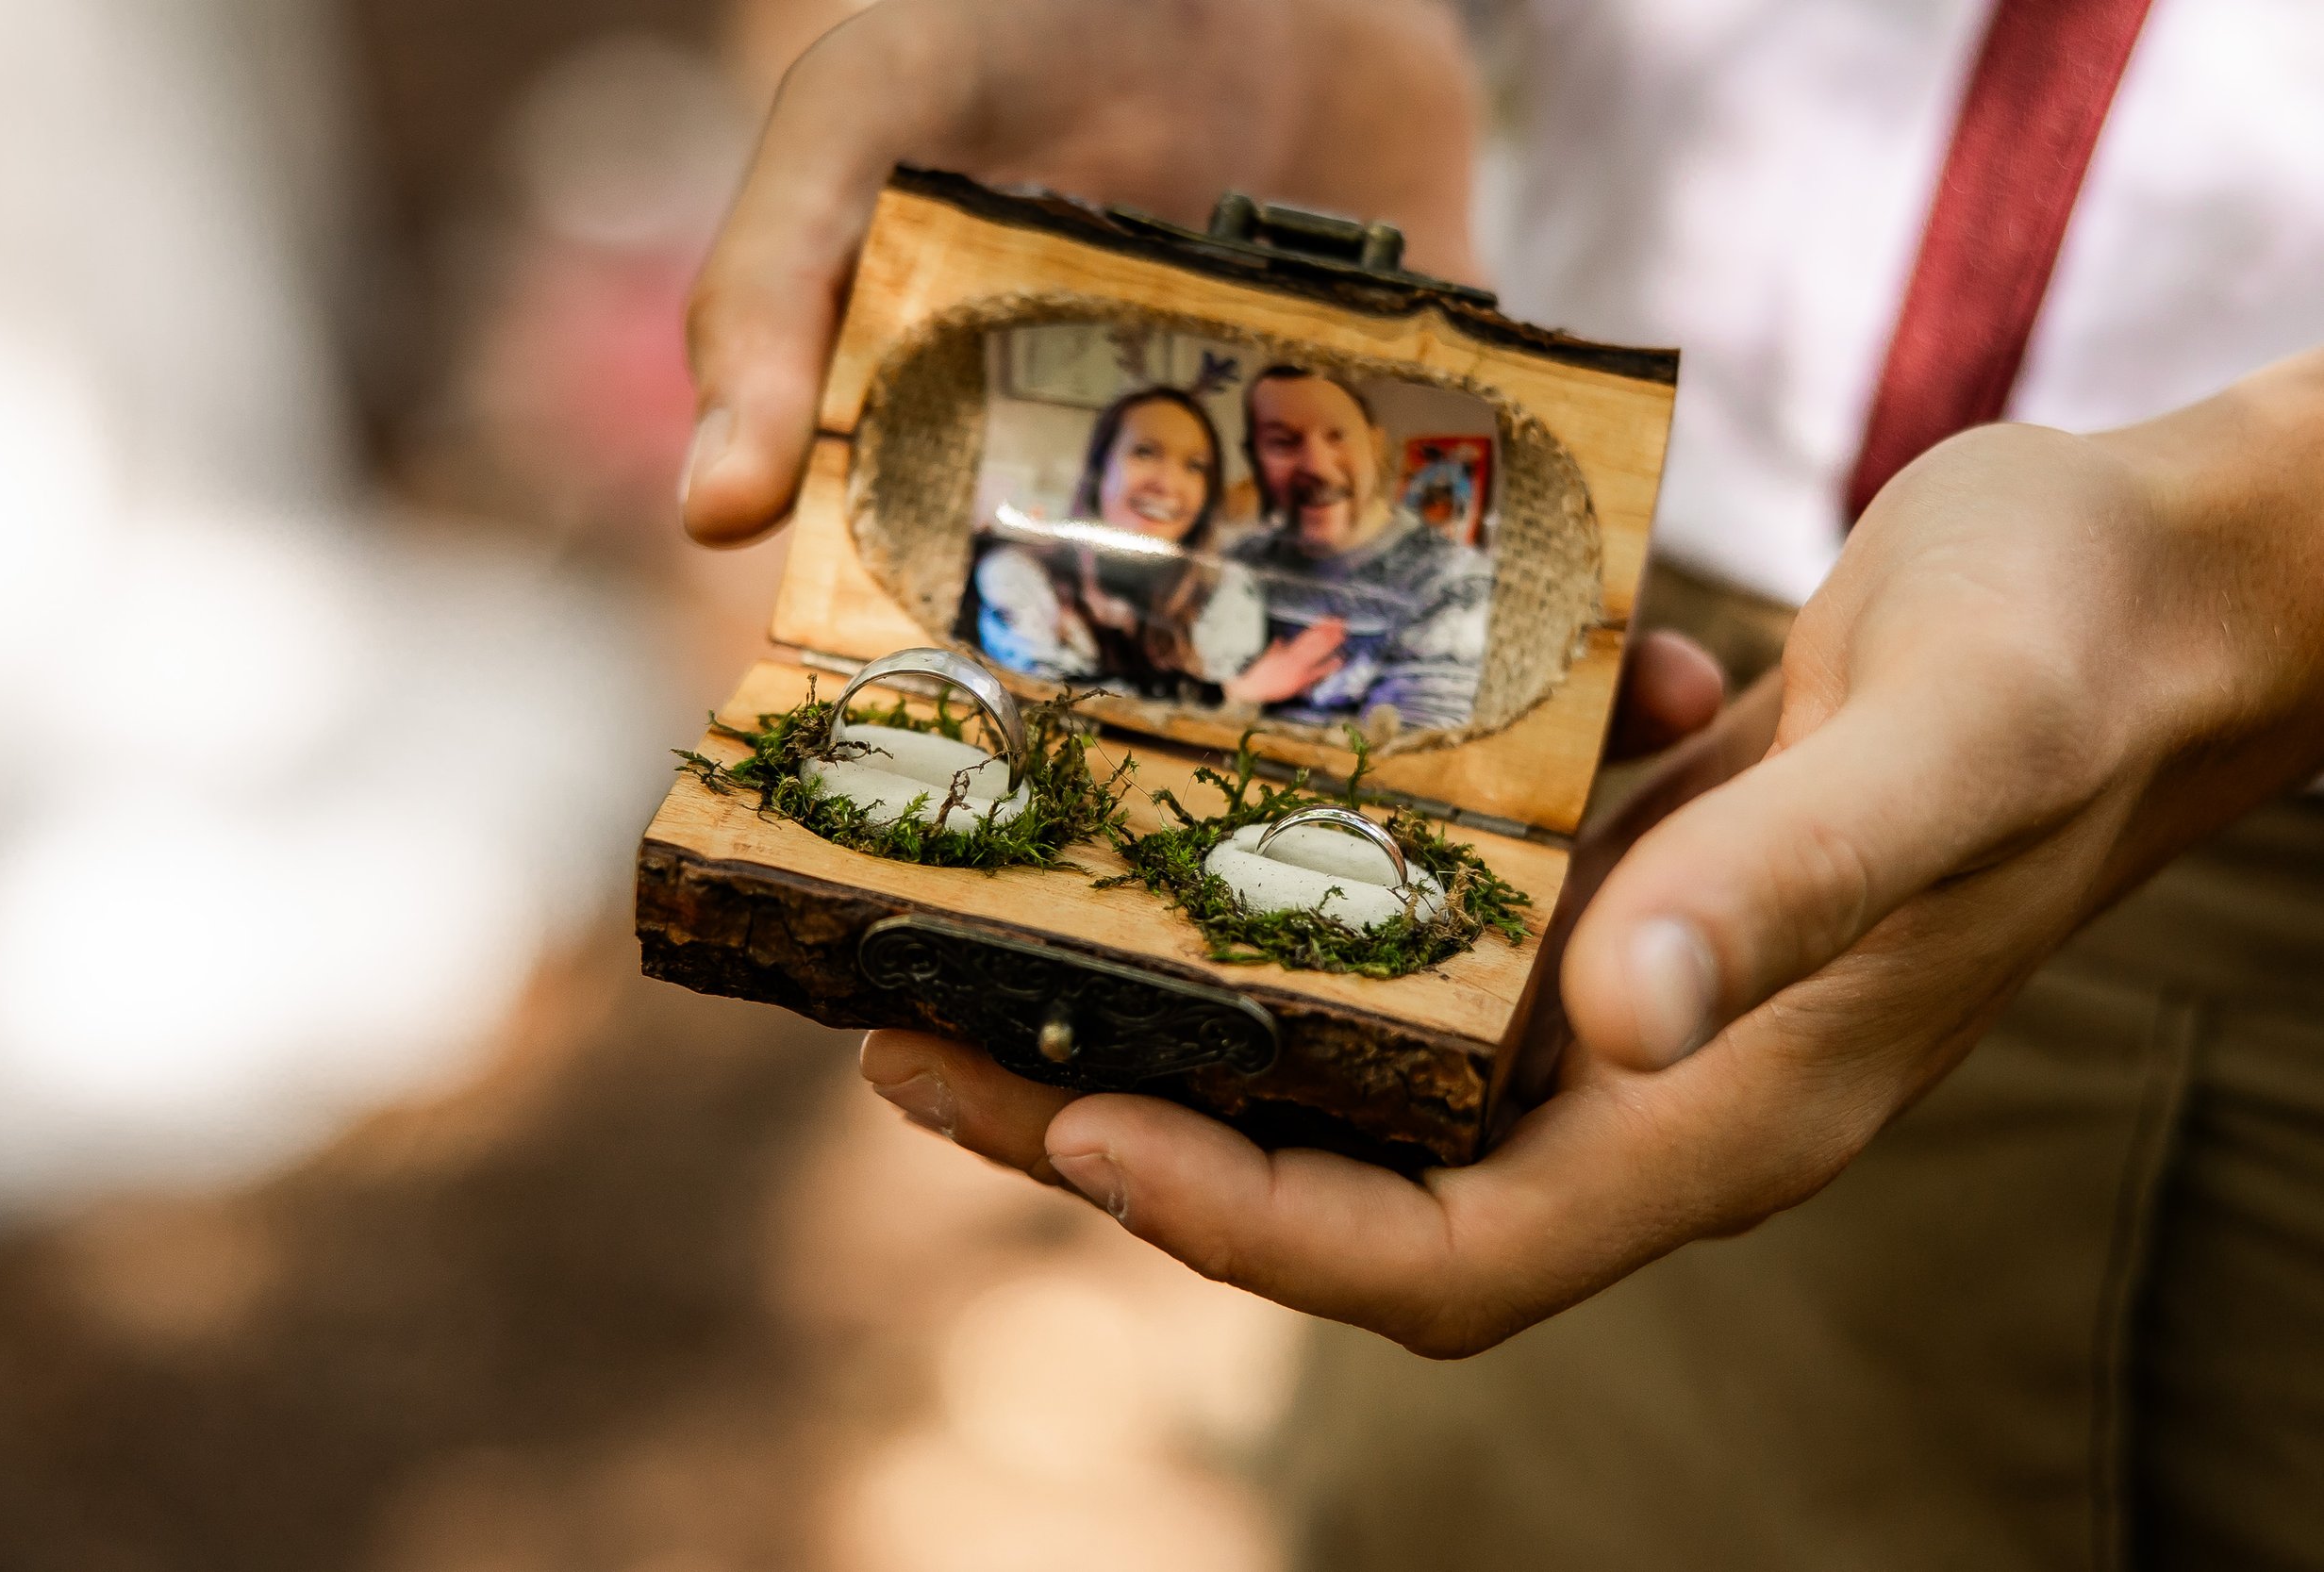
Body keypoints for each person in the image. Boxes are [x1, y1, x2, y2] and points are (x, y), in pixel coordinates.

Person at [676, 1, 2324, 1564]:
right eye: (1193, 468)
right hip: (1691, 639)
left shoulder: (1340, 597)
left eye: (1279, 462)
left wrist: (2276, 558)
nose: (1273, 479)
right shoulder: (1096, 585)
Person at [969, 384, 1346, 703]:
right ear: (1100, 470)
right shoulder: (1018, 575)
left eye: (1194, 466)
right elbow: (1041, 702)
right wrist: (1231, 693)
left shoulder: (1226, 591)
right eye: (1145, 452)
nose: (1168, 484)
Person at [1225, 364, 1494, 730]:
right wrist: (1238, 694)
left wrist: (1237, 699)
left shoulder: (1453, 583)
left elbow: (1408, 764)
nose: (1316, 466)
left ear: (1376, 445)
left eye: (1337, 436)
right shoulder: (1238, 562)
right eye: (1283, 442)